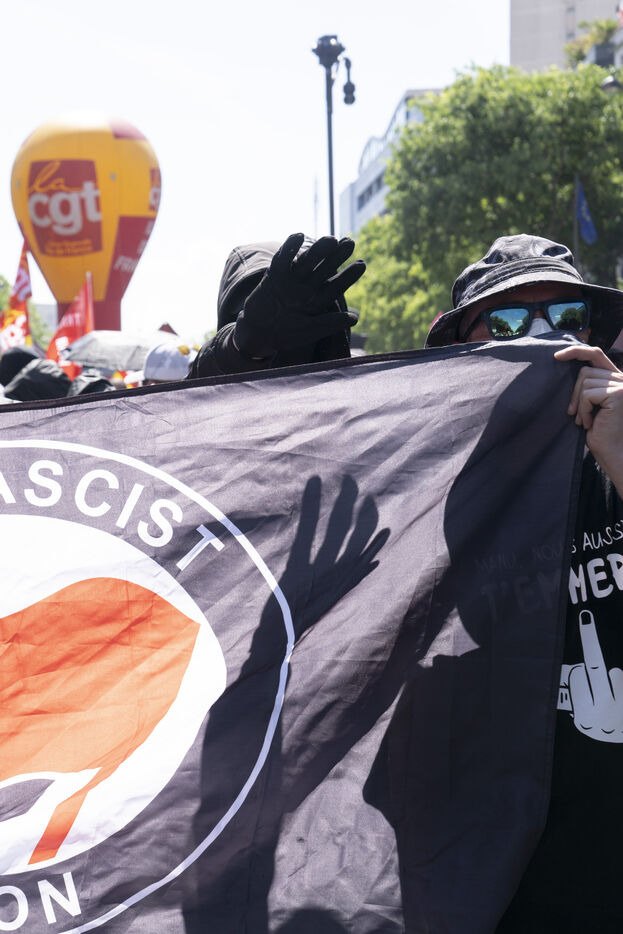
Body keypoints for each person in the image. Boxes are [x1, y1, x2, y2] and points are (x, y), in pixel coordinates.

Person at [426, 233, 623, 932]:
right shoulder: (428, 489)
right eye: (507, 323)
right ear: (461, 351)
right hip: (500, 895)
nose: (543, 339)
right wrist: (242, 358)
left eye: (565, 317)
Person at [188, 232, 365, 379]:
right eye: (250, 305)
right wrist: (238, 349)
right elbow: (192, 395)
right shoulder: (199, 394)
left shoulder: (368, 386)